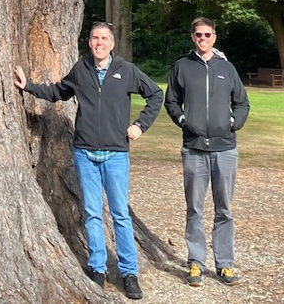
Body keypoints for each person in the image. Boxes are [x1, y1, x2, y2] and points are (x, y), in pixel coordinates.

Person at [14, 22, 162, 300]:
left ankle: (129, 272)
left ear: (112, 44)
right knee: (92, 213)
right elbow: (58, 92)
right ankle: (97, 269)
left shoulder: (126, 71)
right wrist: (29, 86)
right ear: (89, 43)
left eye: (104, 38)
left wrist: (140, 126)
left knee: (120, 215)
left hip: (116, 154)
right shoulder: (81, 70)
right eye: (95, 38)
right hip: (85, 153)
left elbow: (156, 94)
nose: (99, 42)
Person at [164, 17, 249, 287]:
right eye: (198, 35)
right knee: (195, 208)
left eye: (207, 35)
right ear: (193, 38)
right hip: (194, 148)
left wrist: (233, 123)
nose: (203, 39)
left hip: (225, 148)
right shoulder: (182, 66)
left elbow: (242, 103)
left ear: (215, 37)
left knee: (224, 209)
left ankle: (224, 264)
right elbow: (171, 100)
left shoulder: (227, 68)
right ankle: (196, 263)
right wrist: (182, 121)